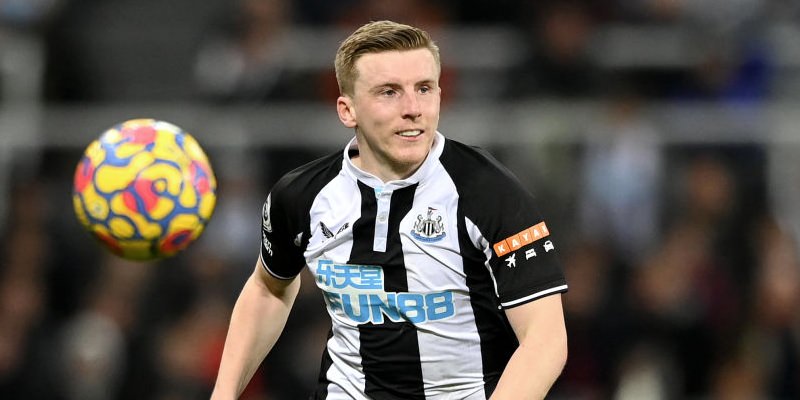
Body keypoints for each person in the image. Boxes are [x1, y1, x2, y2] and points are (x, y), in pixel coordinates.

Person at [211, 20, 568, 400]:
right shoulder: (301, 196)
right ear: (347, 110)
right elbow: (268, 289)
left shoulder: (489, 192)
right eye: (389, 92)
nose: (413, 109)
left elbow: (544, 339)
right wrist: (224, 393)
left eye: (424, 88)